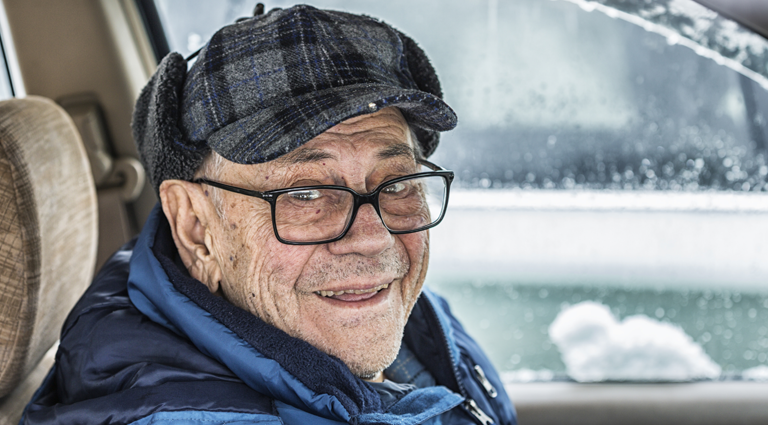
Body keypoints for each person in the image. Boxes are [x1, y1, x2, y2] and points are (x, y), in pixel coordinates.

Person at [23, 5, 516, 425]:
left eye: (398, 182)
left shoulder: (405, 317)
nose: (374, 237)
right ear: (197, 229)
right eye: (305, 193)